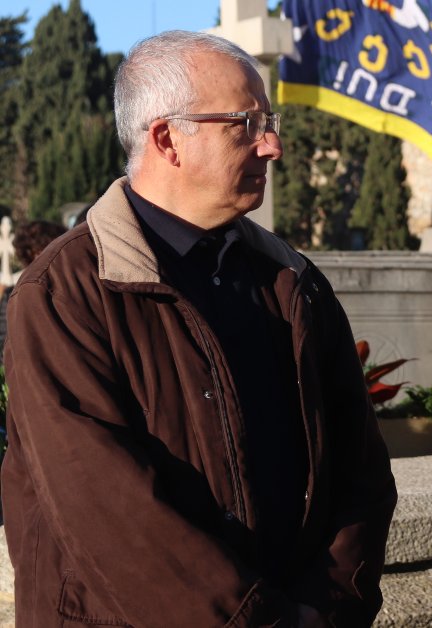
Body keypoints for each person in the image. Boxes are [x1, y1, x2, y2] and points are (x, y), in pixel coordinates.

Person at [1, 31, 397, 626]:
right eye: (245, 123)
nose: (272, 145)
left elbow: (359, 472)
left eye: (270, 120)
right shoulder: (65, 292)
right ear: (167, 139)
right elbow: (109, 510)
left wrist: (331, 610)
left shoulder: (293, 281)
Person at [0, 220, 68, 353]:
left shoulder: (70, 288)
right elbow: (5, 342)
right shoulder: (14, 295)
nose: (40, 261)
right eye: (33, 255)